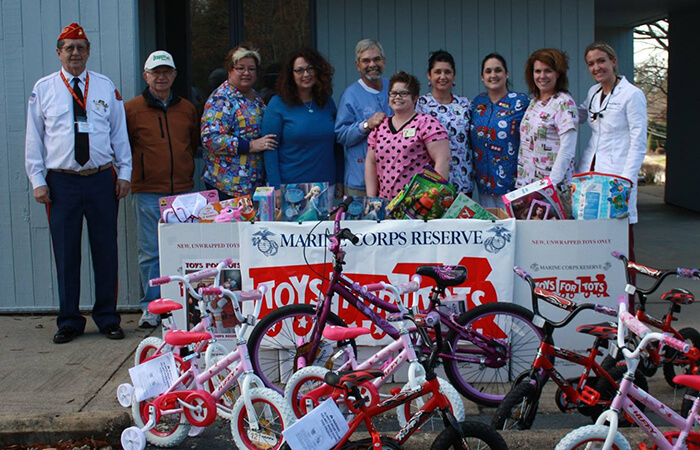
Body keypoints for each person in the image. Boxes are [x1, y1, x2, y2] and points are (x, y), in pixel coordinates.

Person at [25, 23, 131, 343]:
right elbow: (34, 138)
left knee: (105, 251)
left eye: (80, 47)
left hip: (100, 179)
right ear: (59, 52)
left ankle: (107, 317)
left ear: (88, 52)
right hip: (61, 183)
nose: (75, 53)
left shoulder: (104, 87)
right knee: (66, 253)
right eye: (69, 47)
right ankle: (69, 319)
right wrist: (37, 180)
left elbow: (118, 133)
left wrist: (124, 173)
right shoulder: (43, 89)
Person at [125, 51, 200, 328]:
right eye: (155, 72)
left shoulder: (187, 108)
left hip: (182, 192)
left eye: (166, 71)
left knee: (185, 249)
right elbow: (124, 147)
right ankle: (152, 307)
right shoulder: (131, 109)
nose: (161, 77)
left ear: (174, 75)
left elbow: (191, 144)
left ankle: (184, 306)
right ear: (146, 76)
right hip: (148, 191)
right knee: (150, 252)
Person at [577, 42, 647, 256]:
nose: (596, 67)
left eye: (601, 61)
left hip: (617, 175)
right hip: (591, 172)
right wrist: (554, 106)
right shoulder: (594, 91)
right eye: (591, 64)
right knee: (593, 238)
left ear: (613, 61)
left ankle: (628, 289)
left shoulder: (632, 95)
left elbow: (639, 142)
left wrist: (627, 180)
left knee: (620, 241)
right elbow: (581, 113)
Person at [200, 45, 277, 199]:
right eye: (240, 68)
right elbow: (210, 138)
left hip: (253, 185)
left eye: (251, 69)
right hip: (227, 186)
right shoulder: (221, 98)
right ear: (230, 70)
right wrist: (250, 145)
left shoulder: (255, 97)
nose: (246, 73)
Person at [262, 48, 338, 196]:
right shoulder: (278, 104)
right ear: (291, 74)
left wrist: (339, 178)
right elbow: (270, 148)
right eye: (299, 70)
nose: (306, 74)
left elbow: (337, 144)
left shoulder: (326, 101)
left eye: (310, 69)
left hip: (325, 186)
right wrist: (275, 187)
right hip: (290, 188)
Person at [365, 72, 450, 200]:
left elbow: (443, 160)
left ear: (415, 97)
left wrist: (430, 198)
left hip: (416, 205)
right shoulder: (379, 127)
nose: (397, 97)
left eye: (404, 93)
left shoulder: (426, 123)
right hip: (386, 204)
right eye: (393, 93)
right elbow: (371, 163)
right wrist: (371, 200)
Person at [516, 48, 578, 203]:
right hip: (528, 186)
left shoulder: (564, 103)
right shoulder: (535, 102)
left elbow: (567, 150)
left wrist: (550, 185)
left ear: (558, 73)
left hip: (551, 190)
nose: (542, 76)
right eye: (537, 71)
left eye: (548, 71)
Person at [470, 53, 530, 209]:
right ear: (482, 77)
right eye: (488, 71)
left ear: (506, 73)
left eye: (498, 70)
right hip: (484, 183)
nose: (493, 75)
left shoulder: (520, 102)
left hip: (514, 185)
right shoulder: (477, 103)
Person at [335, 39, 392, 198]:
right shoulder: (350, 95)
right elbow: (341, 135)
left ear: (384, 61)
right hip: (360, 182)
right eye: (366, 60)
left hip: (394, 180)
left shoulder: (394, 87)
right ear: (357, 65)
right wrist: (366, 125)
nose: (372, 64)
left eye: (376, 59)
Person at [416, 50, 473, 196]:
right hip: (431, 185)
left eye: (447, 72)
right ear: (429, 75)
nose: (443, 76)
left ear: (453, 75)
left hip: (462, 183)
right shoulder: (420, 106)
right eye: (437, 72)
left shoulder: (465, 105)